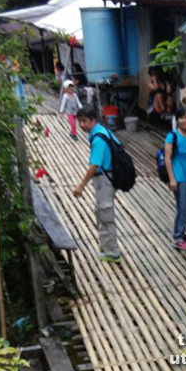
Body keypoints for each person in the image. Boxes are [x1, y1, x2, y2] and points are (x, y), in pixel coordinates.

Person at [73, 106, 122, 264]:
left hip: (104, 179)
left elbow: (94, 165)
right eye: (80, 121)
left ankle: (112, 252)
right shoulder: (101, 131)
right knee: (101, 211)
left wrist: (81, 185)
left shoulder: (99, 139)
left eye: (85, 121)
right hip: (109, 176)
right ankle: (106, 245)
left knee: (105, 212)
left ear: (93, 120)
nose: (82, 125)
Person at [165, 107, 186, 251]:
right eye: (182, 117)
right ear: (176, 120)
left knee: (184, 207)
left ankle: (182, 234)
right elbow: (167, 158)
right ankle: (177, 237)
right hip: (179, 177)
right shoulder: (172, 136)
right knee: (183, 207)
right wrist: (172, 178)